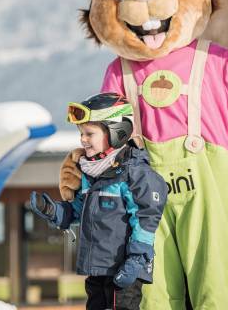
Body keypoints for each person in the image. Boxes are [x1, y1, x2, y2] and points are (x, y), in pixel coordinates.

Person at [30, 93, 167, 310]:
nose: (83, 140)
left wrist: (137, 259)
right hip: (97, 268)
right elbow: (79, 210)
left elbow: (146, 218)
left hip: (123, 268)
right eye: (81, 134)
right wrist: (52, 210)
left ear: (116, 131)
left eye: (89, 133)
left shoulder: (134, 174)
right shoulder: (90, 173)